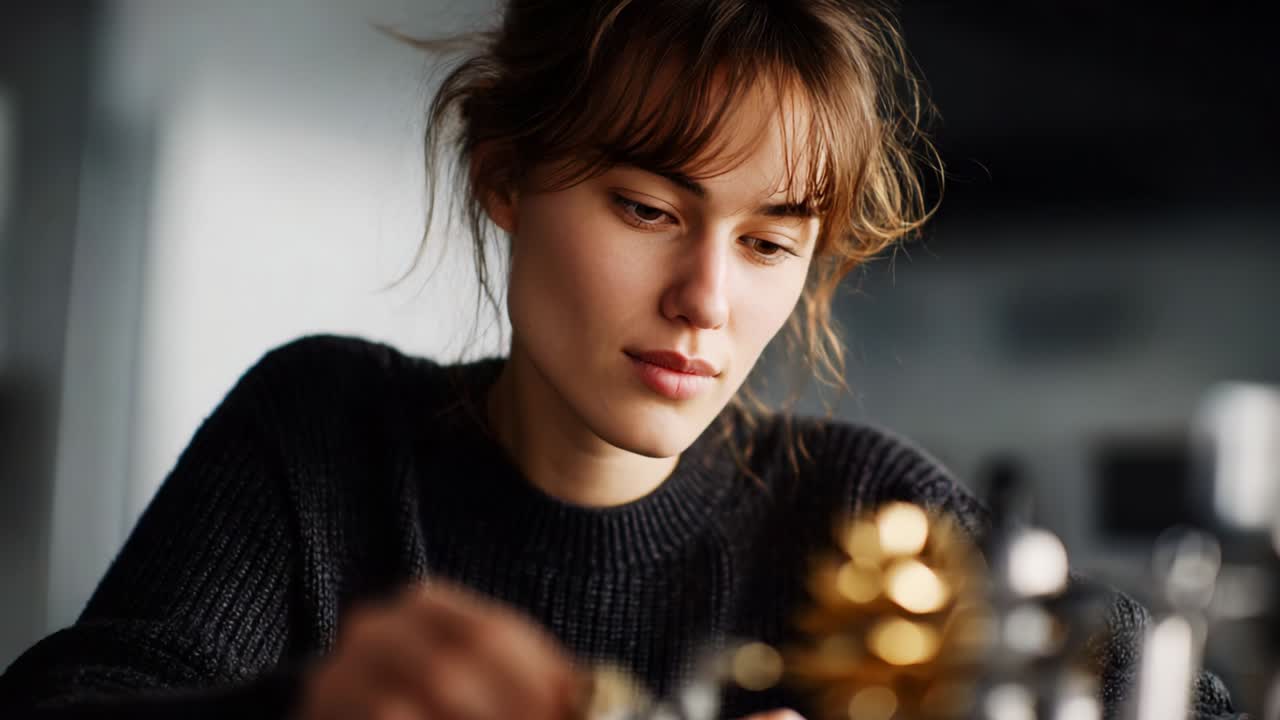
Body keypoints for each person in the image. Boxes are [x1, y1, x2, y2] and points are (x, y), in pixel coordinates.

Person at [0, 1, 1244, 719]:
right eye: (646, 210)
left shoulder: (872, 518)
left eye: (767, 241)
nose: (706, 298)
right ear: (504, 173)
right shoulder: (325, 432)